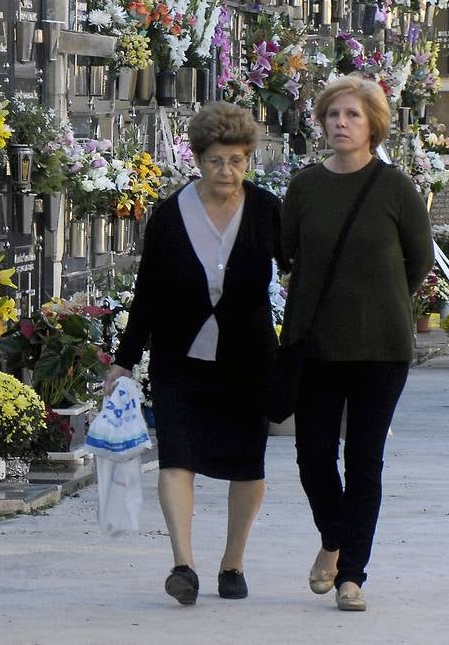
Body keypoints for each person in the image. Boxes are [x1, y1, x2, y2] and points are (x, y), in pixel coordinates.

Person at [106, 102, 286, 605]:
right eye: (215, 161)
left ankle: (233, 563)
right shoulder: (169, 215)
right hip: (178, 359)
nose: (225, 172)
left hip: (248, 358)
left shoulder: (268, 211)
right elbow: (148, 294)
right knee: (177, 458)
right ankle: (183, 564)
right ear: (198, 159)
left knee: (248, 464)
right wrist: (124, 358)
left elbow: (301, 272)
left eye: (236, 161)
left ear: (248, 160)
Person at [281, 75, 432, 612]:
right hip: (316, 344)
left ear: (373, 126)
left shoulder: (394, 186)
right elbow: (287, 254)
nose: (341, 123)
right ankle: (333, 535)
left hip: (381, 347)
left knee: (365, 460)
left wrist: (382, 300)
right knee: (312, 456)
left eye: (352, 116)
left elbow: (420, 260)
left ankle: (352, 575)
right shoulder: (303, 187)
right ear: (321, 123)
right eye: (333, 115)